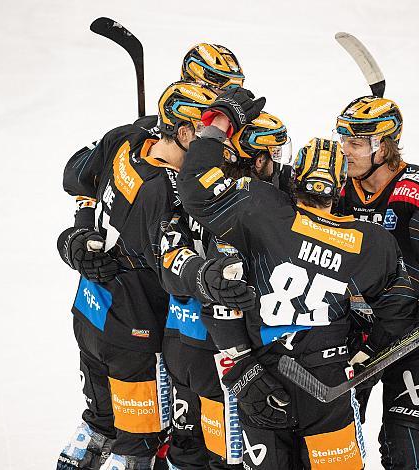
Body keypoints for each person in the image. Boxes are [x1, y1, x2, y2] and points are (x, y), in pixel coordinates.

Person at [176, 88, 417, 469]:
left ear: (295, 179)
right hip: (328, 383)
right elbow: (398, 302)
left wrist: (217, 127)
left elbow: (194, 186)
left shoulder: (259, 209)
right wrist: (369, 350)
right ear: (339, 188)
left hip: (263, 375)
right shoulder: (371, 242)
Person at [55, 80, 255, 470]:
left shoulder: (130, 137)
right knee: (138, 447)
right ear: (181, 132)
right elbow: (172, 264)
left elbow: (77, 177)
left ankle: (92, 444)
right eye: (202, 136)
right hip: (136, 329)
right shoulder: (166, 190)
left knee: (102, 423)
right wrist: (207, 274)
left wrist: (80, 234)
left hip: (92, 306)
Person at [334, 96, 419, 469]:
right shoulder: (337, 185)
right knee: (339, 451)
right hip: (352, 335)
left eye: (355, 143)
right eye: (343, 138)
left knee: (404, 451)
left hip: (412, 334)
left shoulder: (418, 187)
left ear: (384, 147)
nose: (345, 150)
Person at [163, 112, 290, 470]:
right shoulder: (248, 206)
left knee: (190, 452)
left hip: (185, 340)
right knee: (222, 460)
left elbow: (169, 261)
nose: (277, 164)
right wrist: (242, 364)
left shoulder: (194, 191)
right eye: (271, 154)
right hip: (222, 354)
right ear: (254, 158)